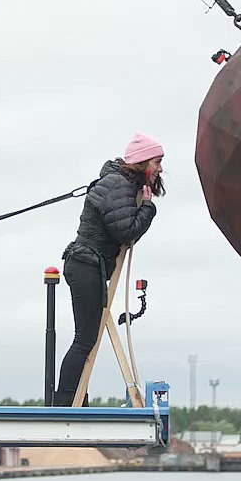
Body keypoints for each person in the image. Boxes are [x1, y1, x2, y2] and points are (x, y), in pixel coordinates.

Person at [52, 132, 165, 407]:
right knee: (85, 339)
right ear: (142, 162)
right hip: (86, 264)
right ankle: (65, 405)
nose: (160, 169)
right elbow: (125, 231)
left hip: (90, 264)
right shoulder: (118, 185)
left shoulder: (122, 184)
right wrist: (148, 208)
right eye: (157, 162)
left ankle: (76, 400)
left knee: (87, 339)